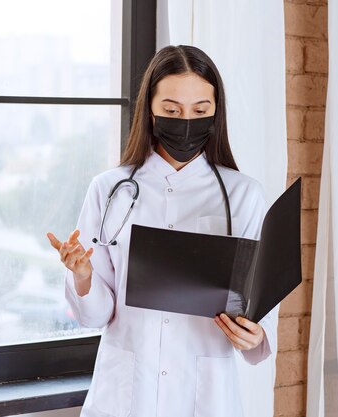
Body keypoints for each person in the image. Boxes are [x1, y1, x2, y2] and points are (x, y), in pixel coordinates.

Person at [46, 45, 277, 417]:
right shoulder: (108, 190)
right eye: (171, 110)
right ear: (150, 111)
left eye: (200, 111)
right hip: (125, 396)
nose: (186, 121)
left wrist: (256, 336)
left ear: (216, 114)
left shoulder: (243, 194)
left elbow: (257, 308)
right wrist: (84, 278)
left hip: (206, 396)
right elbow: (96, 315)